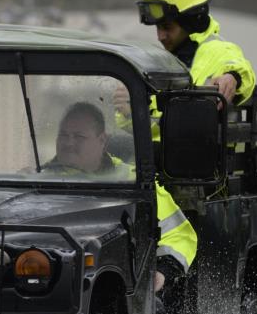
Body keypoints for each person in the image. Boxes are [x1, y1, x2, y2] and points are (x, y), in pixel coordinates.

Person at [45, 102, 197, 295]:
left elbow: (180, 235)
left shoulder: (133, 182)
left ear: (102, 140)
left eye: (79, 136)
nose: (69, 143)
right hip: (46, 283)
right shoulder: (35, 181)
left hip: (117, 292)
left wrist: (162, 271)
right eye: (63, 135)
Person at [115, 0, 256, 136]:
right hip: (167, 150)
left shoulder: (220, 50)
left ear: (190, 22)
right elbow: (156, 129)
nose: (160, 36)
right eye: (158, 28)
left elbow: (243, 70)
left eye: (167, 27)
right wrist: (130, 111)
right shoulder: (164, 61)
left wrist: (233, 77)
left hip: (202, 150)